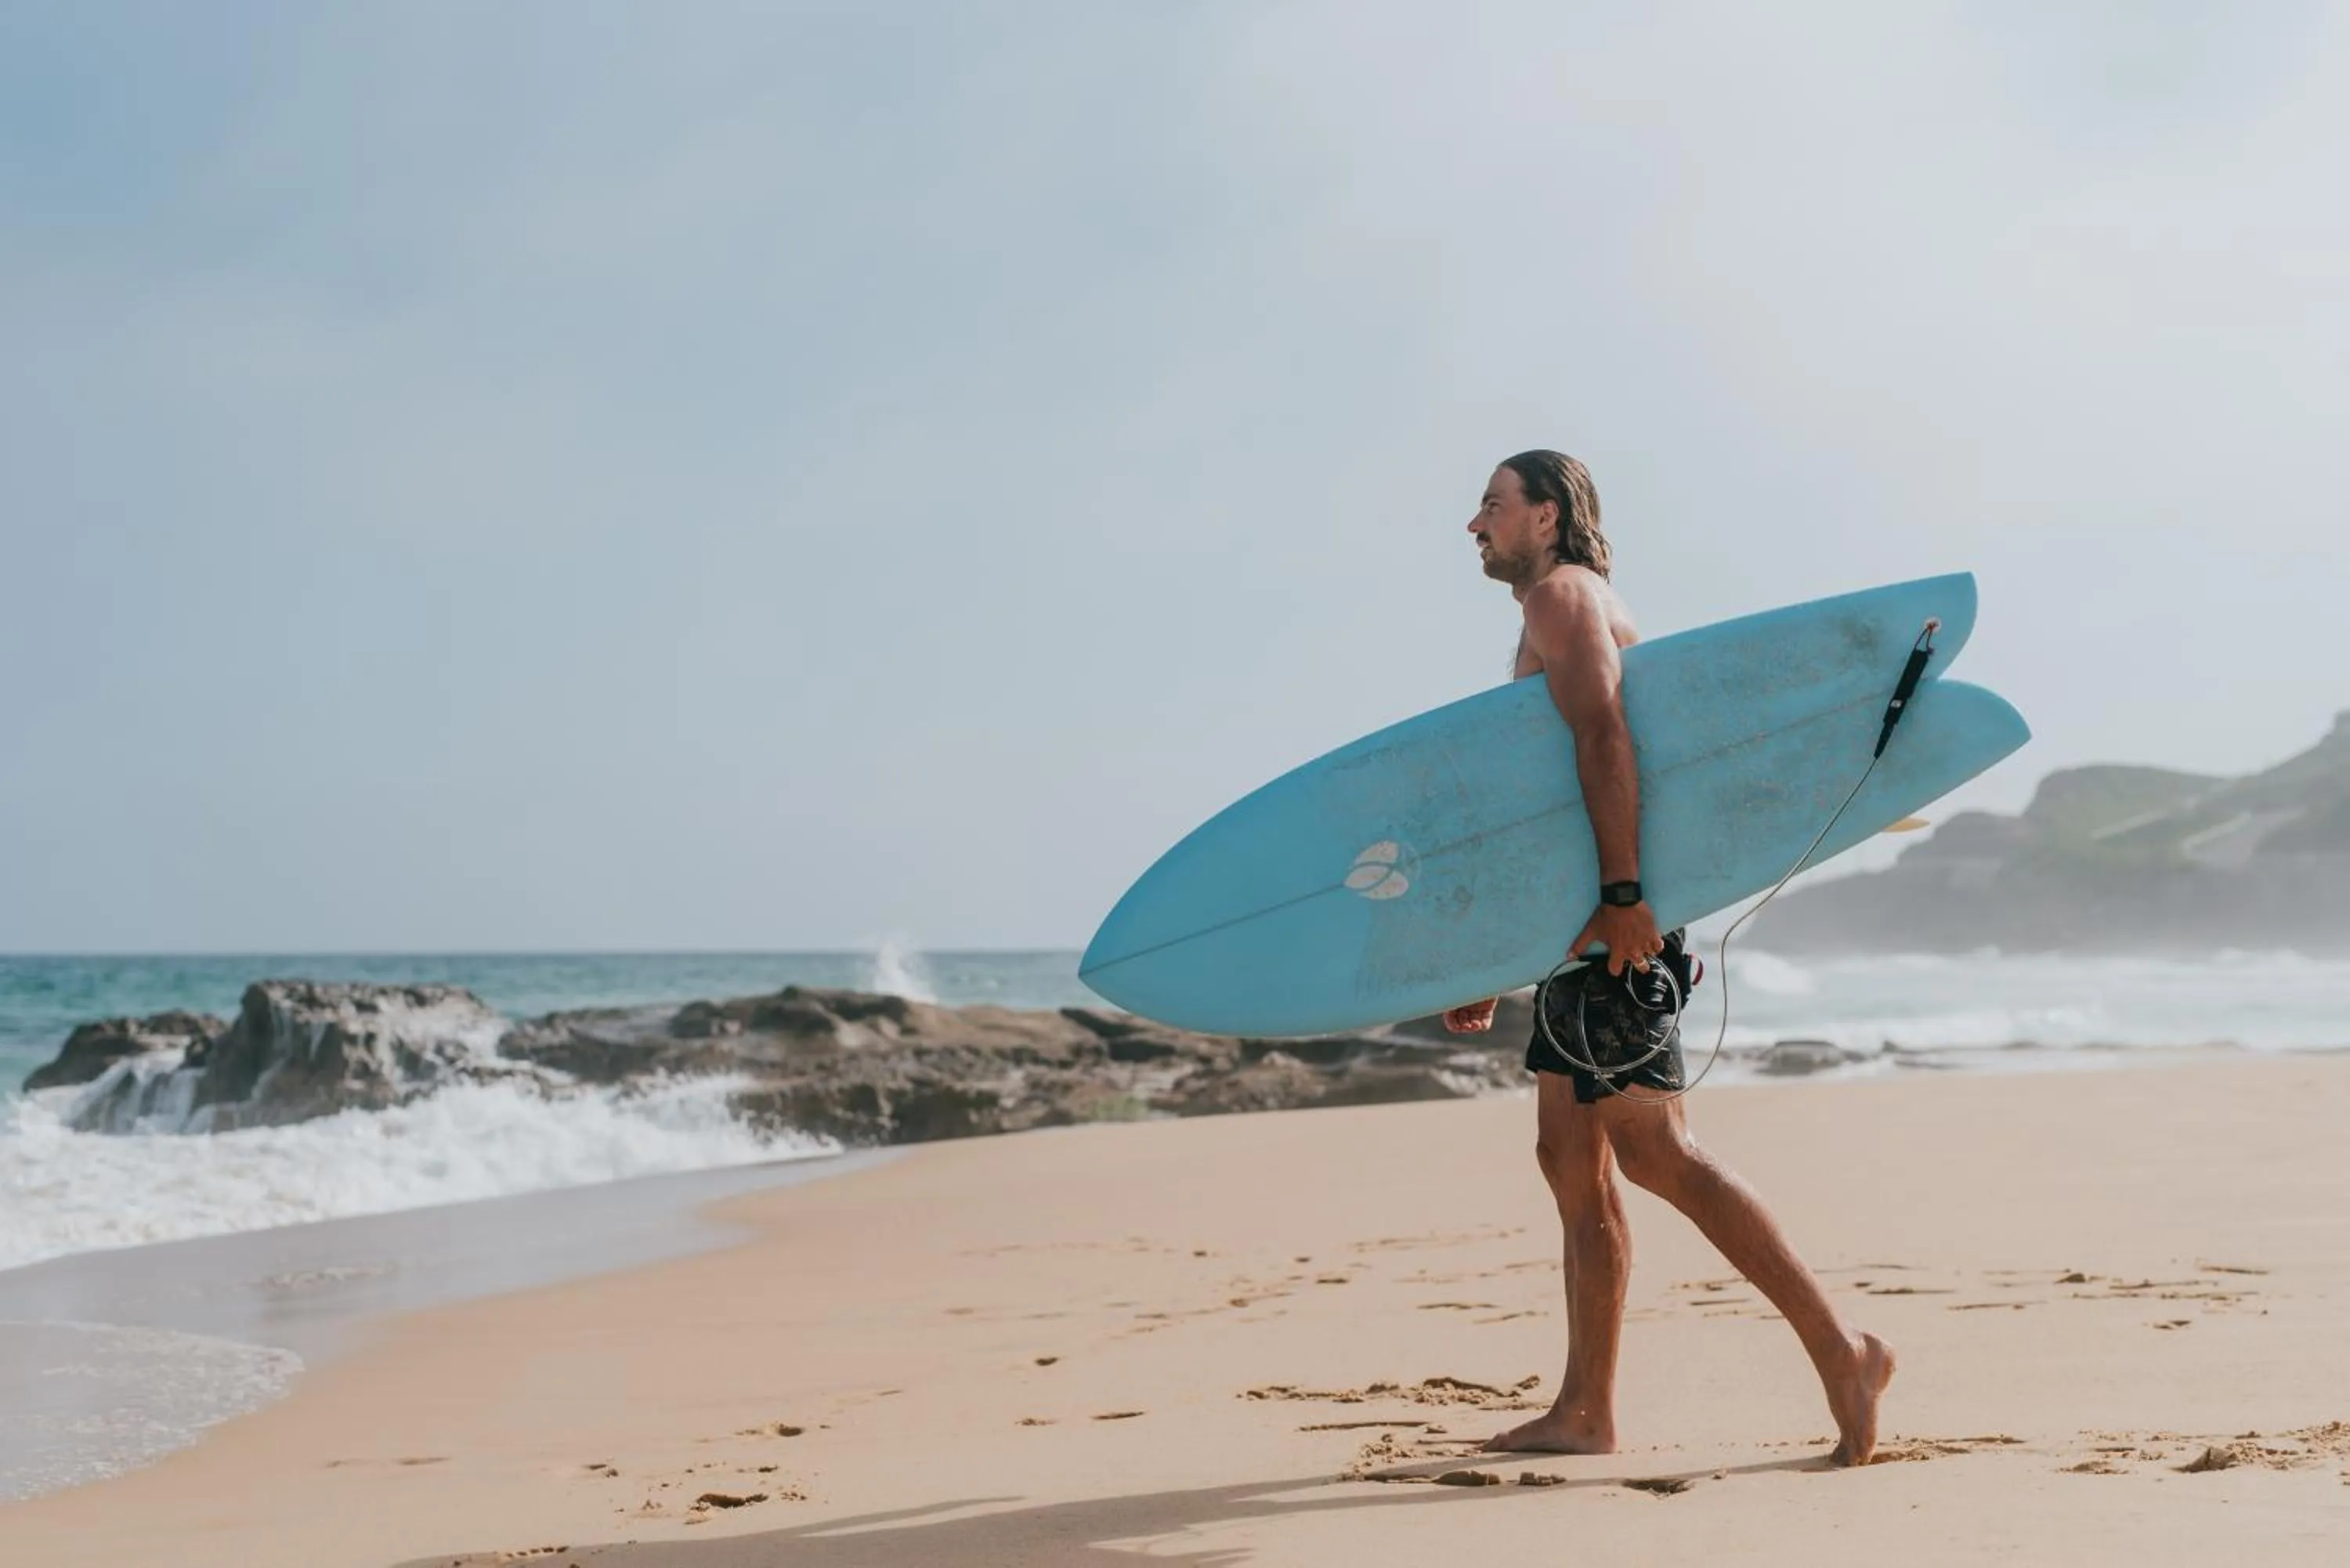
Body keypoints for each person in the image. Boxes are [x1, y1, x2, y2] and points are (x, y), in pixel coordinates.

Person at [1444, 450, 1894, 1467]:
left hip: (1613, 920)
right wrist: (1494, 957)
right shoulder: (1552, 604)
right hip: (1581, 929)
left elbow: (1606, 736)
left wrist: (1624, 897)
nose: (1475, 525)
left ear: (1547, 515)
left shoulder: (1563, 595)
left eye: (1493, 505)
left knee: (1654, 1152)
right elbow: (1546, 810)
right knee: (1570, 1158)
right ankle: (1586, 1409)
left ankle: (1845, 1350)